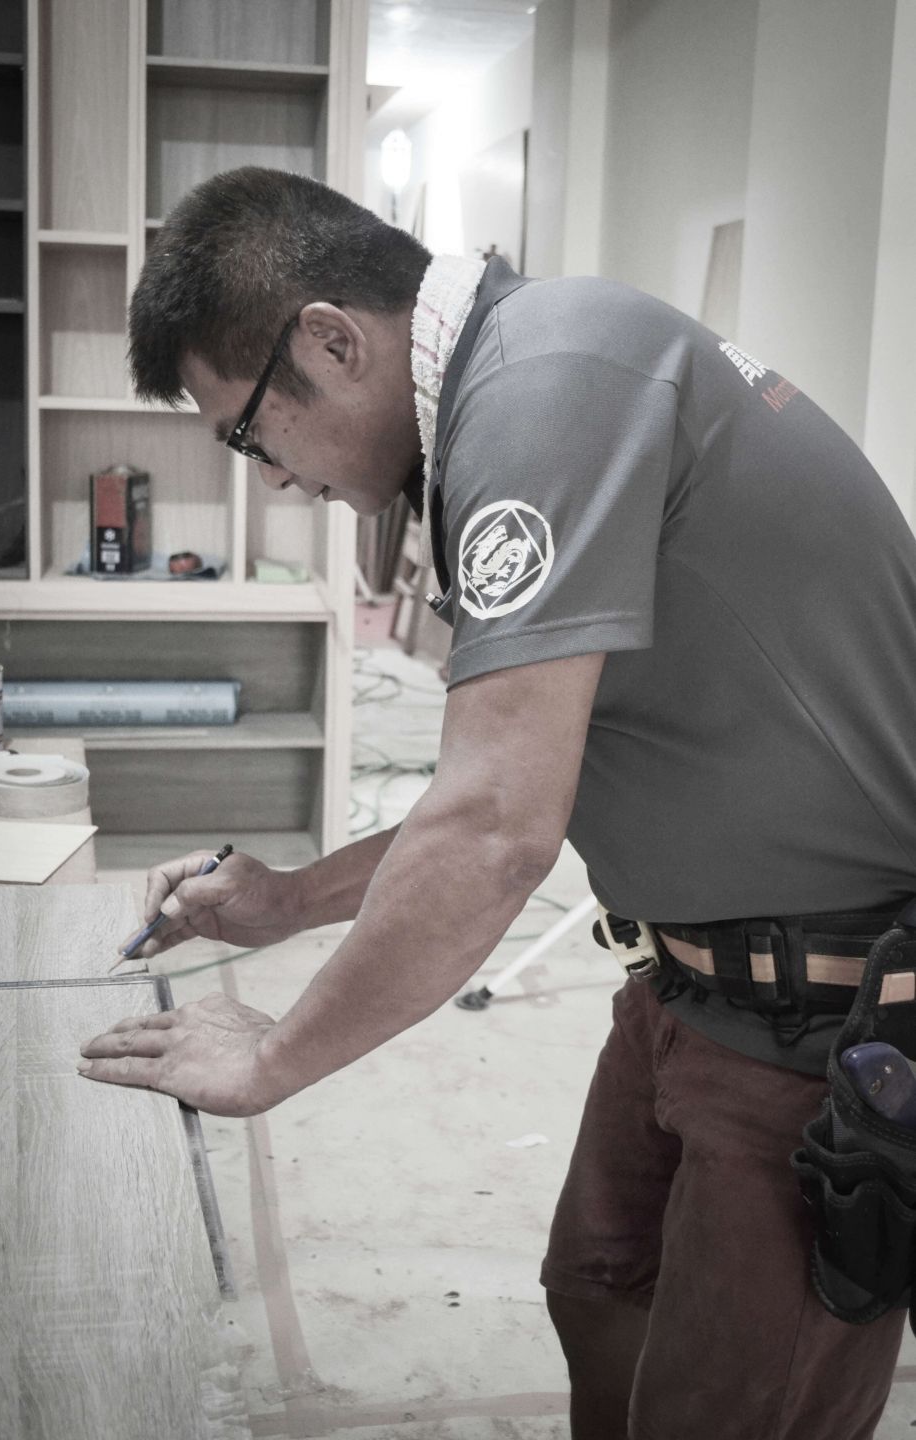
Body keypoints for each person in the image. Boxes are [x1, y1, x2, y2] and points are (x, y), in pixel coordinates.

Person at [78, 166, 916, 1439]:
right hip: (689, 982)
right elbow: (515, 784)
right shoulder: (525, 384)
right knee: (600, 1288)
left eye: (249, 435)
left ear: (332, 341)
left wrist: (273, 1054)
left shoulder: (543, 389)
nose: (274, 481)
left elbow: (494, 830)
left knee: (727, 1406)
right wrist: (291, 900)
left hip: (823, 1018)